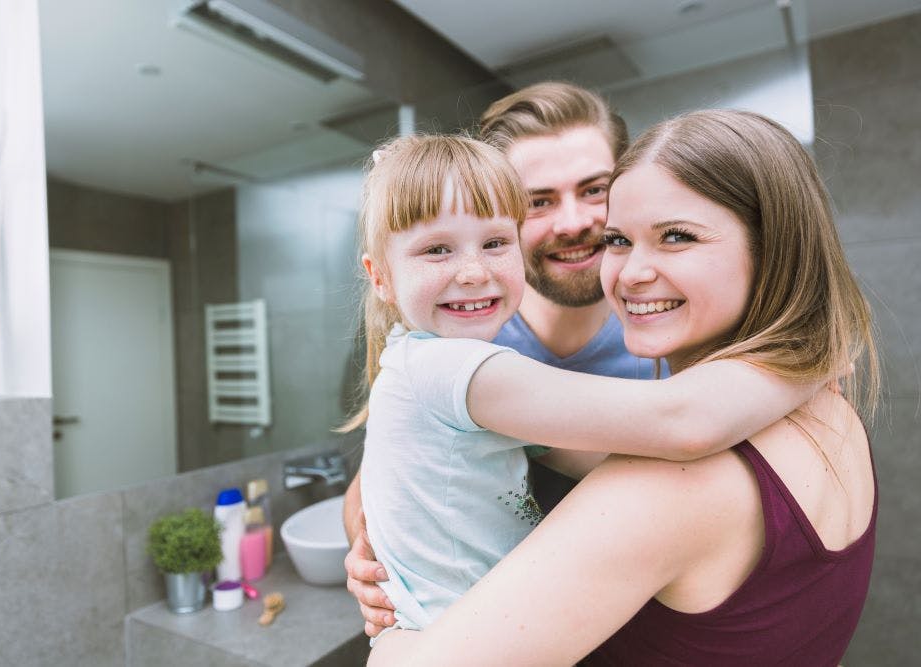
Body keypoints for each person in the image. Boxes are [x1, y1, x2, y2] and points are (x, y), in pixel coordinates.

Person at [367, 109, 880, 666]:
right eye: (618, 239)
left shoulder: (675, 487)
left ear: (774, 247)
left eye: (677, 237)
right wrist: (807, 360)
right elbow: (417, 458)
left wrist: (393, 645)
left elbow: (679, 425)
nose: (631, 272)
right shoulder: (833, 414)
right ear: (381, 276)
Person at [343, 82, 650, 634]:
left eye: (595, 189)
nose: (573, 221)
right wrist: (370, 560)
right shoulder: (464, 337)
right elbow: (378, 479)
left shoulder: (673, 321)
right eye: (539, 201)